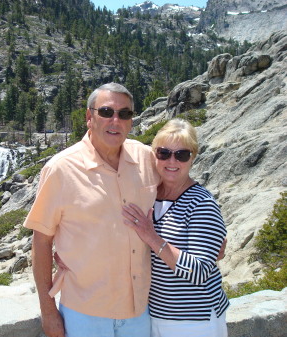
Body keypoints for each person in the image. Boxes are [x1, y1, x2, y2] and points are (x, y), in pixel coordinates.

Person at [23, 83, 160, 337]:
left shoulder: (146, 158)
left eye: (125, 114)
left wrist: (207, 232)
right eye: (106, 112)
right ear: (89, 117)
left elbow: (179, 191)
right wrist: (48, 310)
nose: (116, 120)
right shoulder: (61, 169)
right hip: (85, 313)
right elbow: (41, 242)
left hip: (140, 310)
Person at [122, 119, 230, 337]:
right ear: (154, 155)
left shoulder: (202, 203)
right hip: (154, 315)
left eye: (181, 154)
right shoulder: (149, 196)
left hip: (194, 319)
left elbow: (199, 272)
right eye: (163, 153)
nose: (172, 161)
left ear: (193, 157)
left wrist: (151, 237)